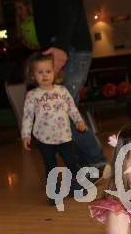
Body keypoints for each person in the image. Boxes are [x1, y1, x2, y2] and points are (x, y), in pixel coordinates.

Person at [31, 0, 107, 174]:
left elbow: (68, 9)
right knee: (62, 108)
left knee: (62, 108)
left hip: (70, 48)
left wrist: (62, 46)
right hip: (61, 47)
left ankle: (96, 162)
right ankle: (84, 164)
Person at [21, 53, 87, 201]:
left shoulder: (62, 91)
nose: (45, 75)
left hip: (64, 136)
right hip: (44, 138)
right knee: (50, 166)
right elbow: (27, 116)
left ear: (54, 73)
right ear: (33, 75)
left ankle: (76, 187)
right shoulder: (32, 95)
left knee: (72, 162)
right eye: (40, 72)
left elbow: (72, 108)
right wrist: (25, 135)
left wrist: (79, 121)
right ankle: (54, 193)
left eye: (48, 71)